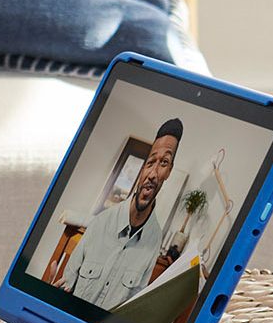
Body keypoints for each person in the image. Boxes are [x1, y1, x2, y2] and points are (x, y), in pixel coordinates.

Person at [53, 119, 183, 309]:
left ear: (169, 171)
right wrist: (50, 297)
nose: (153, 174)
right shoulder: (101, 222)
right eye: (151, 162)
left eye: (164, 163)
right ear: (143, 167)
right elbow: (63, 291)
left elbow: (132, 311)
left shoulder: (154, 241)